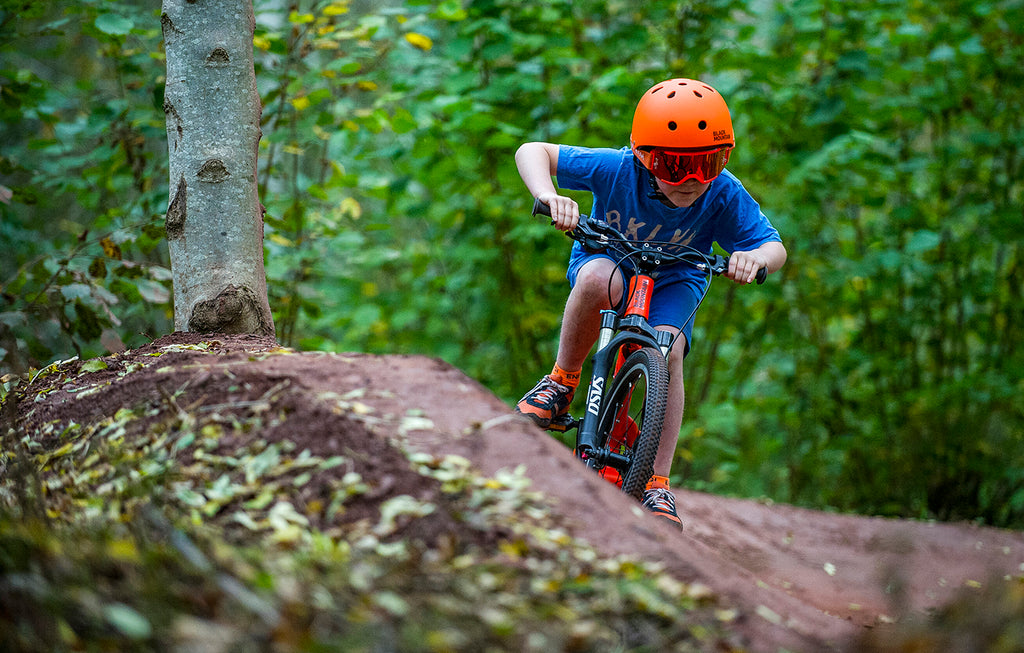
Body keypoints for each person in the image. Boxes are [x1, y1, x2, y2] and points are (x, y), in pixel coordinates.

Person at [513, 78, 787, 529]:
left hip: (678, 278)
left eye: (709, 163)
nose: (693, 181)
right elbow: (533, 151)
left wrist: (753, 259)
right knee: (596, 278)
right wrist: (549, 195)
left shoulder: (723, 191)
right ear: (646, 156)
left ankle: (656, 482)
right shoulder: (618, 168)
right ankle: (562, 382)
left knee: (669, 348)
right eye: (676, 165)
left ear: (724, 159)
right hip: (612, 257)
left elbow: (774, 246)